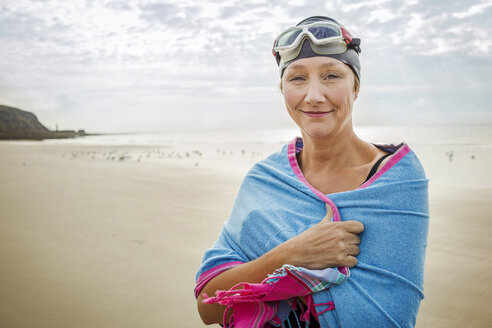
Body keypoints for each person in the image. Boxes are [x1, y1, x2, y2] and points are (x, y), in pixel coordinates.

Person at [195, 16, 429, 328]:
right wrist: (289, 255)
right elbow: (208, 307)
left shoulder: (397, 179)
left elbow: (389, 315)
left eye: (332, 76)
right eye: (297, 79)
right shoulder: (264, 180)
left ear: (356, 86)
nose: (314, 96)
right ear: (282, 89)